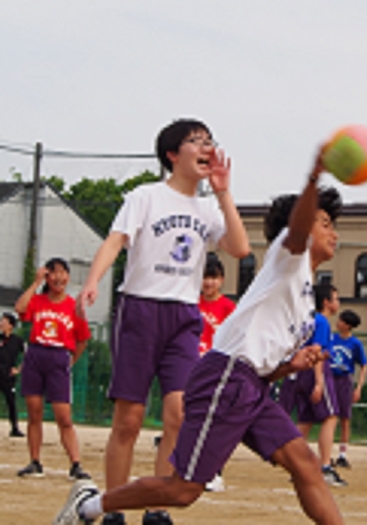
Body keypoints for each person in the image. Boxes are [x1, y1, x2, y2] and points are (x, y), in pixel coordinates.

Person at [53, 149, 345, 525]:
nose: (334, 232)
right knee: (182, 490)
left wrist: (289, 366)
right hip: (227, 379)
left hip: (251, 387)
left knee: (306, 464)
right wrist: (313, 179)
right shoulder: (289, 259)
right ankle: (88, 506)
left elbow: (260, 363)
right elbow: (298, 230)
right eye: (325, 222)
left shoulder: (304, 300)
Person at [74, 119, 250, 525]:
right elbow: (115, 241)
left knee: (179, 414)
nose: (206, 147)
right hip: (140, 310)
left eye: (209, 141)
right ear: (172, 154)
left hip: (184, 315)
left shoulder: (208, 208)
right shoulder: (145, 196)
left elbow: (240, 248)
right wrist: (93, 280)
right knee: (129, 420)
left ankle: (157, 508)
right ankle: (114, 507)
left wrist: (223, 192)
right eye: (196, 141)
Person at [15, 258, 92, 480]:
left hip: (59, 356)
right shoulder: (38, 300)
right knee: (34, 412)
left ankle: (75, 463)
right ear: (47, 277)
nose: (59, 277)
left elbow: (83, 339)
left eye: (63, 272)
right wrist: (35, 282)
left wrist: (70, 360)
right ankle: (35, 461)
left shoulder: (73, 306)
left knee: (63, 416)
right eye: (54, 273)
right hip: (36, 354)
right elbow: (20, 309)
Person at [289, 283, 346, 486]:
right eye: (335, 299)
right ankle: (325, 467)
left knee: (306, 421)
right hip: (316, 371)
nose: (338, 303)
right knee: (331, 417)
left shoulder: (309, 319)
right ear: (326, 302)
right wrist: (319, 382)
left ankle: (295, 466)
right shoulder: (322, 321)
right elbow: (317, 352)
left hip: (301, 372)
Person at [198, 252, 236, 492]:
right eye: (205, 277)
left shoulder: (229, 308)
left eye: (213, 278)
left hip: (217, 369)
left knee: (216, 421)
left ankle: (215, 471)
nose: (209, 283)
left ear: (221, 280)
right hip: (193, 367)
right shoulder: (192, 303)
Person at [329, 309, 367, 469]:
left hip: (344, 380)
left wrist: (358, 388)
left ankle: (342, 455)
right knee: (330, 417)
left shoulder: (355, 343)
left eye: (341, 321)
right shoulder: (332, 338)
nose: (337, 323)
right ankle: (327, 454)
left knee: (344, 418)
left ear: (348, 325)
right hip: (330, 379)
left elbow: (363, 365)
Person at [0, 312, 25, 438]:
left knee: (11, 401)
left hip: (8, 375)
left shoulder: (17, 341)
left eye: (4, 322)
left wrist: (19, 369)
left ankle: (14, 428)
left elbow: (28, 355)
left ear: (11, 325)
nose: (1, 324)